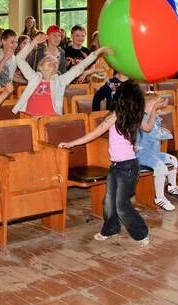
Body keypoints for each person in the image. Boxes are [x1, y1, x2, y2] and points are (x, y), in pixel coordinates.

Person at [58, 82, 165, 245]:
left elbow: (149, 128)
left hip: (129, 167)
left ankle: (141, 233)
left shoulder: (133, 116)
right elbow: (95, 133)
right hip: (116, 166)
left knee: (121, 205)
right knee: (109, 201)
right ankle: (111, 229)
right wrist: (72, 143)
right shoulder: (114, 115)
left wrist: (155, 111)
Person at [13, 33, 109, 116]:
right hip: (31, 118)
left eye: (55, 62)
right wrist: (33, 43)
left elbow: (80, 67)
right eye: (48, 60)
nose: (53, 62)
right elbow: (19, 59)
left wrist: (98, 51)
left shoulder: (60, 81)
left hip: (51, 121)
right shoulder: (33, 77)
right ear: (40, 66)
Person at [135, 95, 178, 211]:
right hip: (142, 153)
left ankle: (172, 186)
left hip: (154, 152)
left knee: (173, 160)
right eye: (156, 106)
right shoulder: (141, 118)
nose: (159, 108)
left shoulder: (154, 116)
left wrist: (163, 131)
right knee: (161, 167)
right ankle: (160, 197)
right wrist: (166, 134)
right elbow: (153, 133)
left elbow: (157, 130)